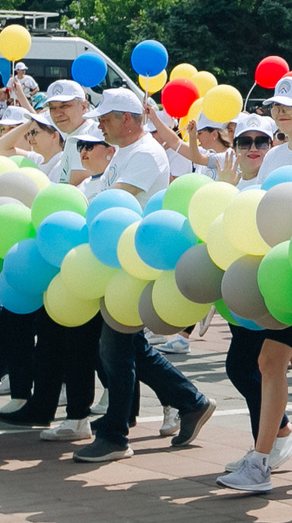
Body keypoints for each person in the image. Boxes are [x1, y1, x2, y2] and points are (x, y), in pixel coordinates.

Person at [74, 89, 219, 462]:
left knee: (115, 348)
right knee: (128, 346)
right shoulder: (124, 153)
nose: (100, 125)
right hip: (117, 258)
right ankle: (190, 401)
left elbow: (115, 200)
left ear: (127, 118)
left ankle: (115, 434)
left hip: (135, 260)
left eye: (106, 119)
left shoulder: (145, 154)